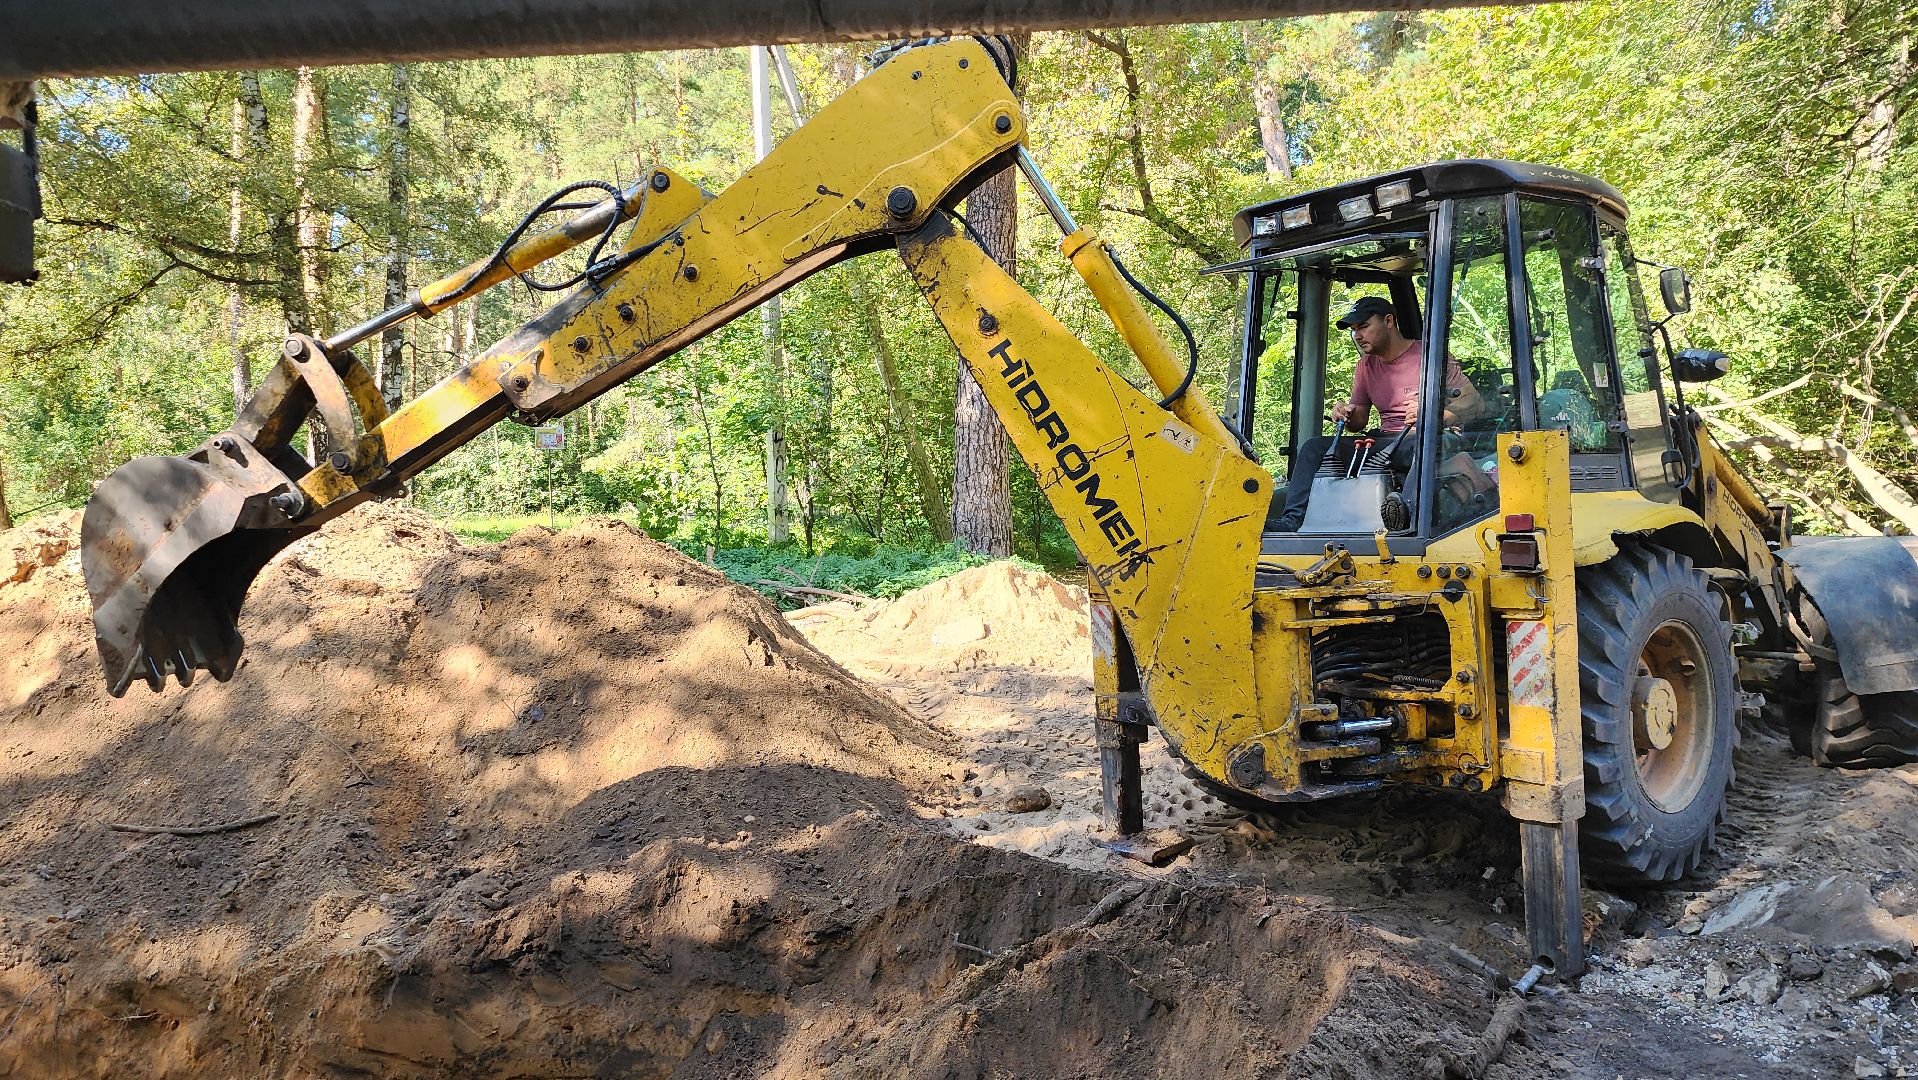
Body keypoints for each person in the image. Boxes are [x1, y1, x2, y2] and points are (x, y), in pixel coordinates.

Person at [1273, 295, 1486, 532]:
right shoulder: (1366, 366)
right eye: (1354, 330)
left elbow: (1475, 403)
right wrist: (1346, 413)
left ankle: (1404, 518)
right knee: (1314, 448)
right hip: (1388, 443)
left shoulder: (1431, 355)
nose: (1357, 335)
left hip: (1433, 439)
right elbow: (1359, 420)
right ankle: (1292, 522)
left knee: (1421, 445)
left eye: (1363, 326)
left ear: (1388, 321)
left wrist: (1435, 415)